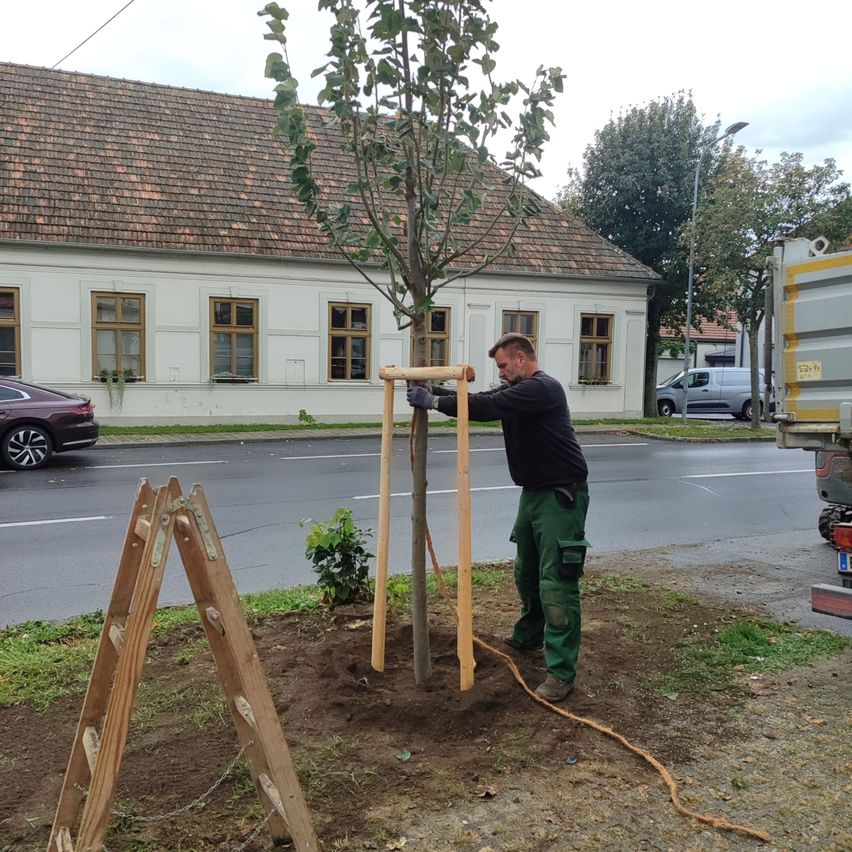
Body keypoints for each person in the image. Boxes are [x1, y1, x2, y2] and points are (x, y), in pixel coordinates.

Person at [406, 332, 589, 702]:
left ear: (521, 358)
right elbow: (482, 398)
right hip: (533, 494)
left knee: (556, 583)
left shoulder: (543, 389)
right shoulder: (517, 390)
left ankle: (561, 673)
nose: (501, 373)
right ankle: (529, 636)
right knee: (526, 571)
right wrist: (437, 390)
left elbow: (485, 408)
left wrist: (433, 401)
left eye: (504, 365)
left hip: (561, 495)